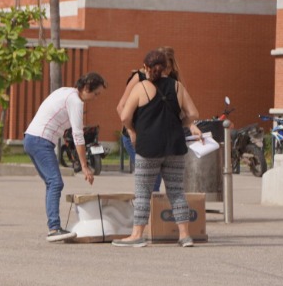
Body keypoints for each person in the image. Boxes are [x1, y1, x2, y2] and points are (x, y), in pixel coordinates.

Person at [113, 49, 200, 247]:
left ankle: (137, 235)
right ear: (166, 68)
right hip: (175, 147)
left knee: (143, 192)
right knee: (177, 191)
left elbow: (124, 116)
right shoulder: (177, 86)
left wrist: (134, 131)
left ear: (145, 68)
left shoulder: (141, 87)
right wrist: (182, 123)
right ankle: (184, 235)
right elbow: (193, 113)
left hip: (148, 147)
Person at [23, 73, 107, 241]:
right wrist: (84, 165)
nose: (95, 98)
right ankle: (54, 229)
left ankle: (54, 226)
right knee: (55, 182)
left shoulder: (65, 92)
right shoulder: (75, 101)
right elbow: (78, 135)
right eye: (95, 94)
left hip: (32, 138)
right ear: (86, 88)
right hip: (41, 140)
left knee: (51, 182)